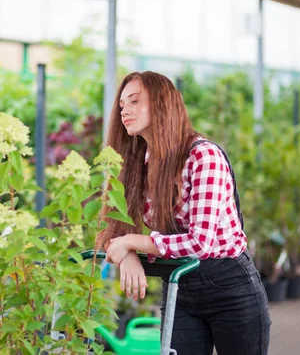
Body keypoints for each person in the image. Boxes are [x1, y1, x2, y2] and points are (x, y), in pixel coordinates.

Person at [97, 71, 271, 355]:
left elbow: (200, 243)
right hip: (179, 286)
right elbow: (112, 230)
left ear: (162, 103)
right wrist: (126, 254)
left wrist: (133, 242)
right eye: (121, 106)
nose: (124, 111)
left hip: (229, 288)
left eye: (134, 101)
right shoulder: (139, 161)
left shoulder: (203, 157)